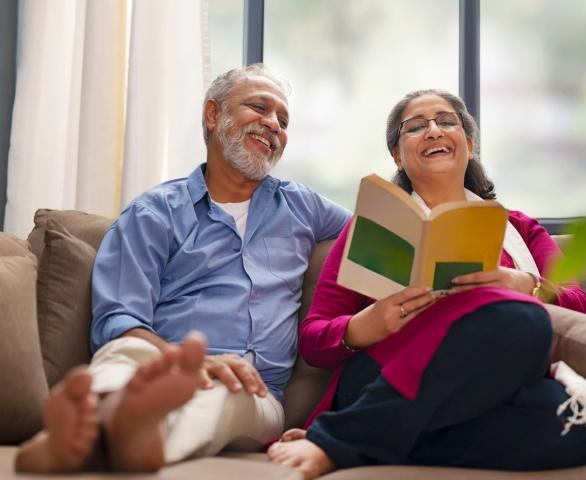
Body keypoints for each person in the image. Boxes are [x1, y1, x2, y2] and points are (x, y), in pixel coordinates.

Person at [14, 64, 350, 473]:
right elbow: (119, 318)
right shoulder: (153, 212)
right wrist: (181, 360)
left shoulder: (305, 207)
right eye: (259, 108)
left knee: (232, 389)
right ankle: (92, 423)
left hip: (252, 390)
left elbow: (377, 230)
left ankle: (122, 436)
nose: (273, 125)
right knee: (125, 352)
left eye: (283, 120)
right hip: (161, 359)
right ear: (213, 115)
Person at [268, 89, 586, 479]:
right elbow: (314, 339)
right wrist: (363, 325)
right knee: (524, 320)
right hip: (385, 372)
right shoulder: (369, 230)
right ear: (397, 154)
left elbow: (578, 303)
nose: (433, 131)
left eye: (446, 122)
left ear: (469, 144)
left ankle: (362, 442)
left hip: (493, 379)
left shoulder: (521, 229)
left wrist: (525, 284)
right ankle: (339, 439)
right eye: (415, 127)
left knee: (575, 427)